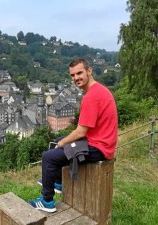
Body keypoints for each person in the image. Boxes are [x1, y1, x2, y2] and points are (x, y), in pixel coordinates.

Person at [29, 58, 118, 213]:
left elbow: (81, 131)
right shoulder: (98, 90)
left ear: (89, 71)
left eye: (79, 73)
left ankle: (47, 201)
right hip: (102, 142)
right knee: (56, 141)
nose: (76, 78)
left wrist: (63, 143)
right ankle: (57, 182)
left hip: (99, 148)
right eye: (73, 75)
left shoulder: (91, 97)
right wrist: (61, 142)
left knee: (48, 157)